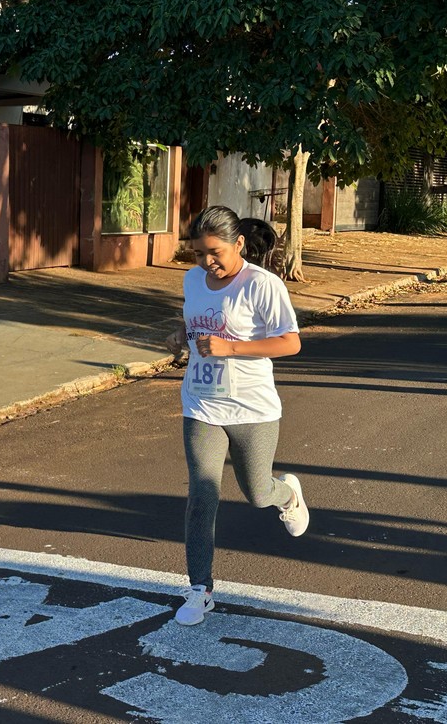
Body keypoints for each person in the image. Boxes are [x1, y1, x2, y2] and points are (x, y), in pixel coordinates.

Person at [164, 205, 308, 627]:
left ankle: (288, 495)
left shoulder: (263, 285)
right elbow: (195, 327)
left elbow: (290, 343)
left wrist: (230, 348)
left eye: (215, 252)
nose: (207, 262)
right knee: (202, 494)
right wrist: (181, 338)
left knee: (258, 493)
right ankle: (199, 589)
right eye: (198, 254)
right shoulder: (193, 280)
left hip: (253, 408)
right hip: (202, 404)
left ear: (238, 244)